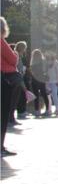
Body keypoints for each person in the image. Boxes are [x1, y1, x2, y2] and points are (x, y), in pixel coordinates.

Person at [1, 17, 21, 156]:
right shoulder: (1, 42)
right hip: (4, 79)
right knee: (3, 114)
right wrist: (15, 54)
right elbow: (13, 60)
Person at [29, 49, 50, 116]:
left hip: (35, 80)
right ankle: (47, 110)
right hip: (41, 79)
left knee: (36, 95)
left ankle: (37, 111)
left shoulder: (33, 62)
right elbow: (46, 70)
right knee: (44, 95)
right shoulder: (43, 62)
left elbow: (32, 71)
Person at [46, 52, 58, 117]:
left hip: (54, 82)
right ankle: (49, 109)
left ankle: (57, 109)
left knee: (54, 95)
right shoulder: (46, 63)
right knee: (48, 96)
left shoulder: (56, 63)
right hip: (47, 82)